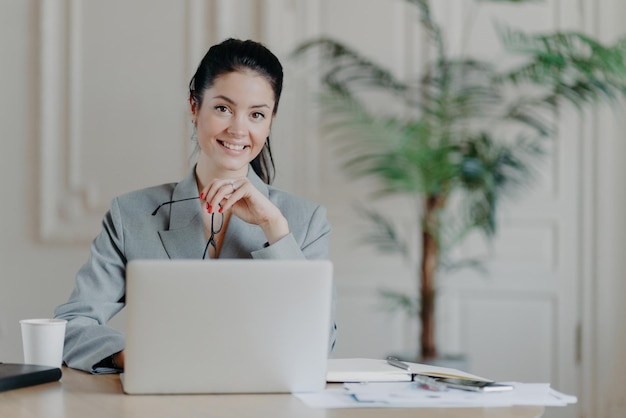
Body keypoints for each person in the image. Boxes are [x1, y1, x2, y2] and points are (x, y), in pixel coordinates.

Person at [54, 38, 336, 373]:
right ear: (194, 106)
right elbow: (72, 324)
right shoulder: (131, 214)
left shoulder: (304, 221)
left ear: (270, 121)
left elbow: (320, 343)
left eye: (257, 114)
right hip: (161, 398)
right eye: (223, 108)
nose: (238, 129)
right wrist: (133, 357)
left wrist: (275, 230)